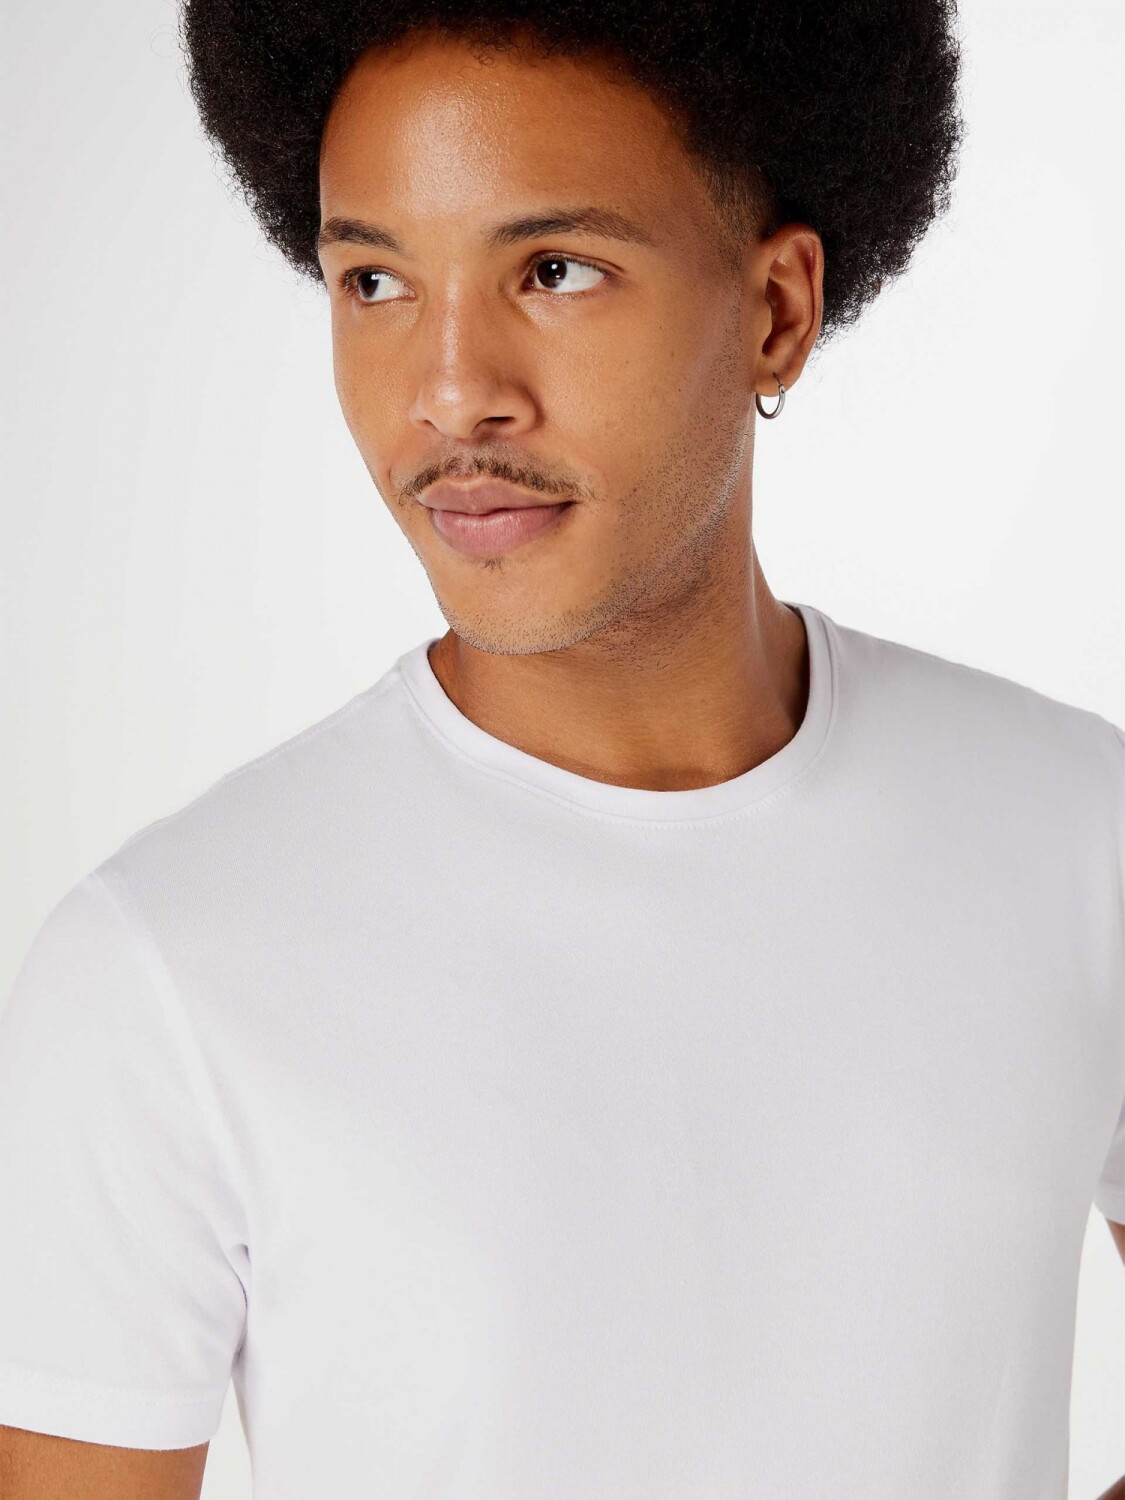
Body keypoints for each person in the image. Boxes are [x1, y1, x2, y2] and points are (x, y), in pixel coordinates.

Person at [1, 2, 1123, 1498]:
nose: (449, 391)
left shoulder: (1077, 833)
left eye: (554, 270)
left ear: (775, 309)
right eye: (375, 279)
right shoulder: (162, 971)